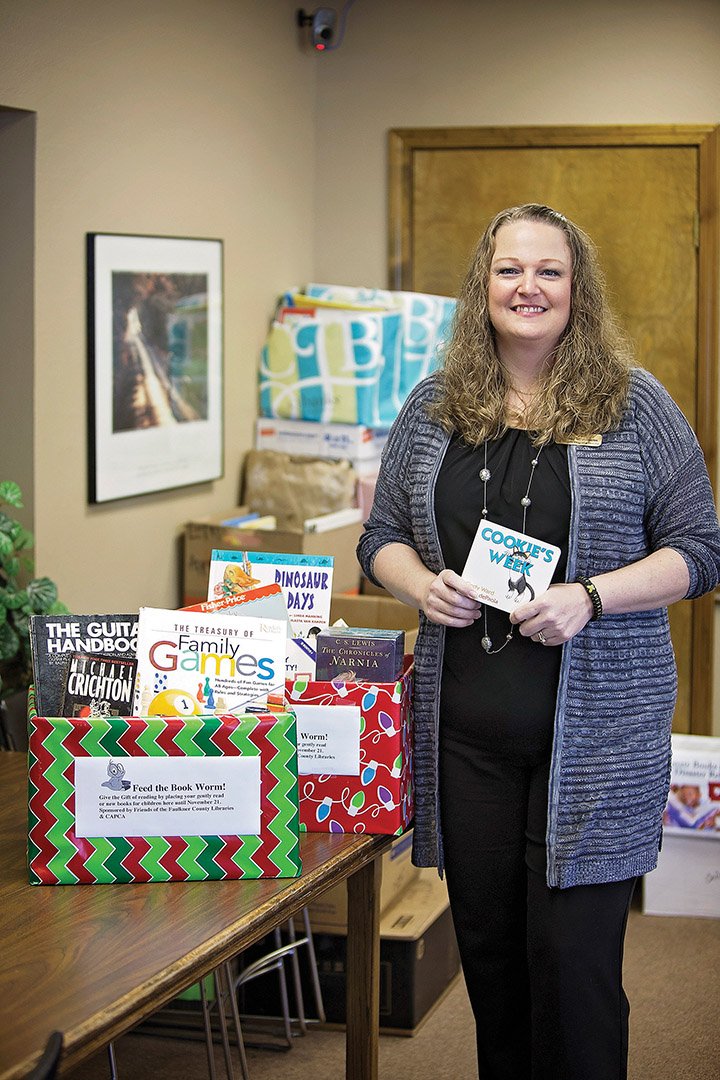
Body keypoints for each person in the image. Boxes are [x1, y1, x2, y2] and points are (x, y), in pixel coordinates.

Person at [357, 203, 720, 1080]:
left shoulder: (636, 405)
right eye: (510, 270)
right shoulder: (435, 406)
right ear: (482, 286)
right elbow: (380, 539)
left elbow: (700, 551)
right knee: (493, 964)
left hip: (593, 746)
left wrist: (591, 597)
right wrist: (421, 583)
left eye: (548, 271)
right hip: (468, 740)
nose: (529, 288)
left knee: (576, 973)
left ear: (575, 288)